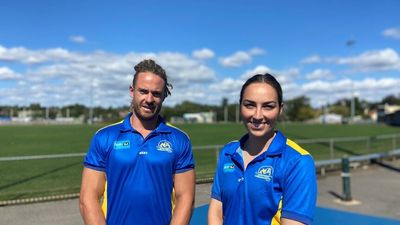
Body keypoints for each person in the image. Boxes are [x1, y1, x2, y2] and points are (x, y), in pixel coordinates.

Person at [79, 59, 195, 225]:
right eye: (143, 91)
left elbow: (186, 198)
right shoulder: (105, 137)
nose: (149, 99)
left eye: (156, 93)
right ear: (132, 91)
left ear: (164, 96)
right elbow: (88, 197)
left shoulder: (179, 139)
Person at [208, 73, 317, 225]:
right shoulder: (228, 152)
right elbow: (216, 211)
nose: (258, 115)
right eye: (250, 105)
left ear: (280, 109)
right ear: (240, 106)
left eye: (268, 106)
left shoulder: (298, 161)